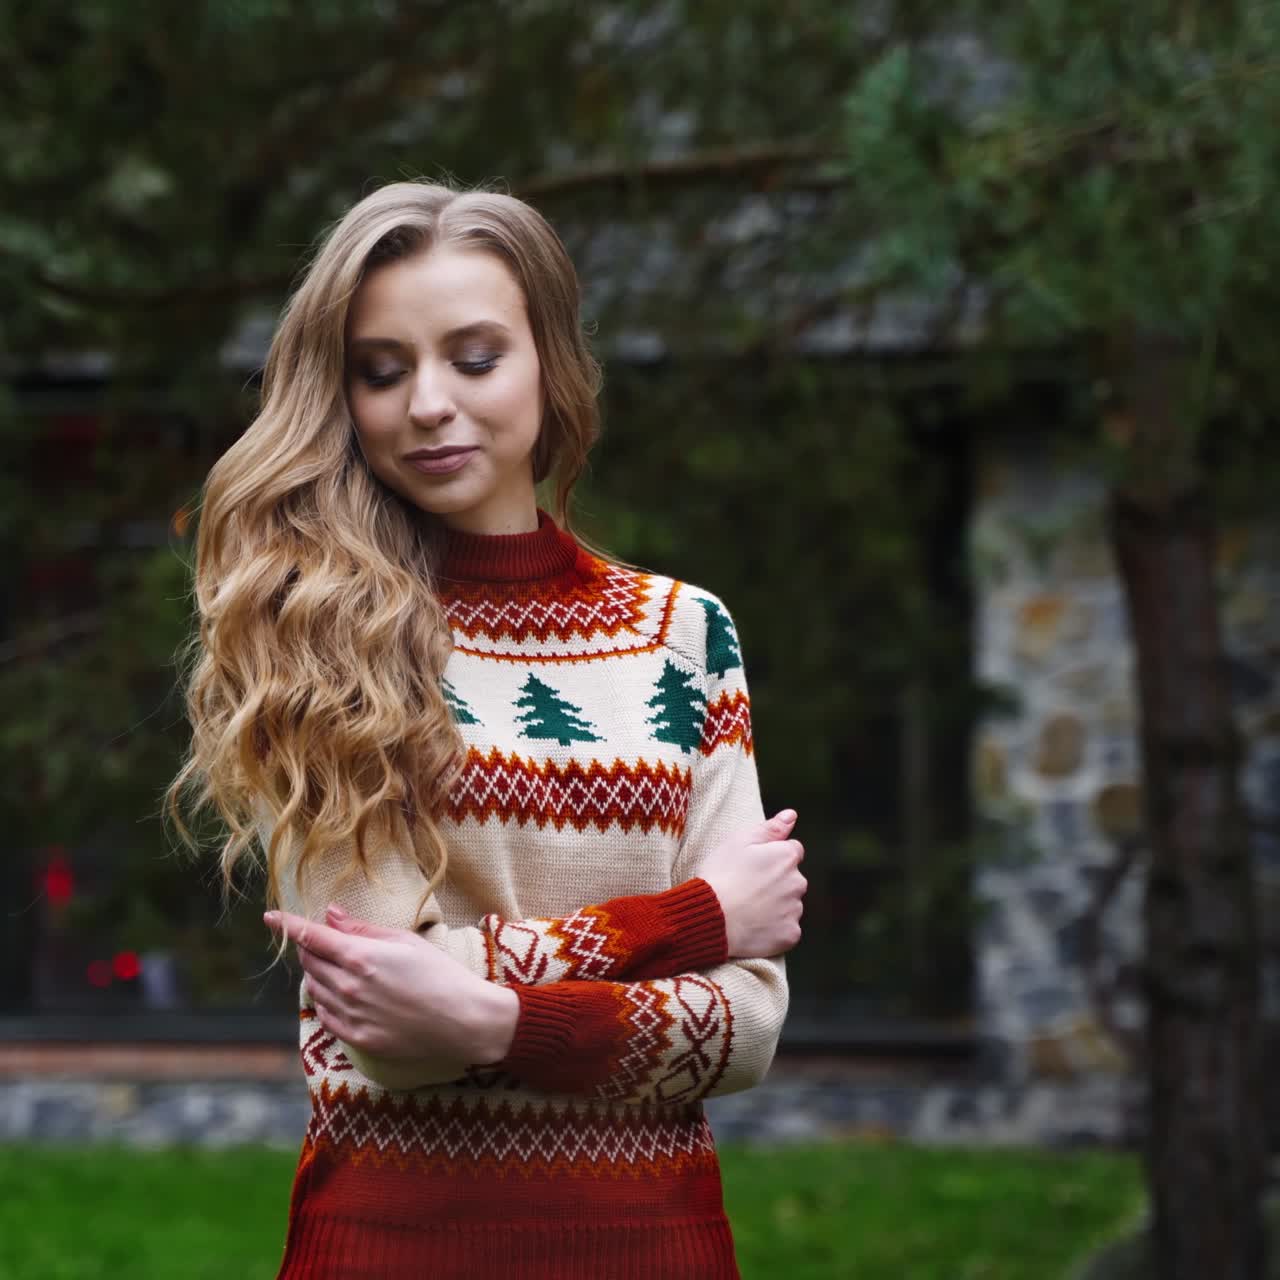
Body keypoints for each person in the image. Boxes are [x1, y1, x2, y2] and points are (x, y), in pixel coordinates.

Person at [166, 179, 806, 1279]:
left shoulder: (681, 633)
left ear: (550, 367)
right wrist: (691, 916)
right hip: (389, 1243)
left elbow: (744, 1025)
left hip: (653, 1245)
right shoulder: (318, 635)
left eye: (473, 357)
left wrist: (484, 1019)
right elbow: (382, 1017)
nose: (426, 403)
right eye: (381, 369)